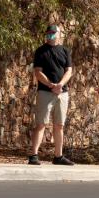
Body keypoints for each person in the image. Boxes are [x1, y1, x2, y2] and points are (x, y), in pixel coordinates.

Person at [29, 24, 75, 166]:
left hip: (62, 93)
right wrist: (51, 85)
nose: (50, 35)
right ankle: (33, 155)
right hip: (45, 92)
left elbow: (69, 71)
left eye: (53, 33)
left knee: (59, 125)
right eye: (48, 33)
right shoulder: (41, 51)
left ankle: (58, 156)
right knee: (41, 123)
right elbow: (38, 72)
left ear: (59, 34)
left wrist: (60, 84)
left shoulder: (65, 51)